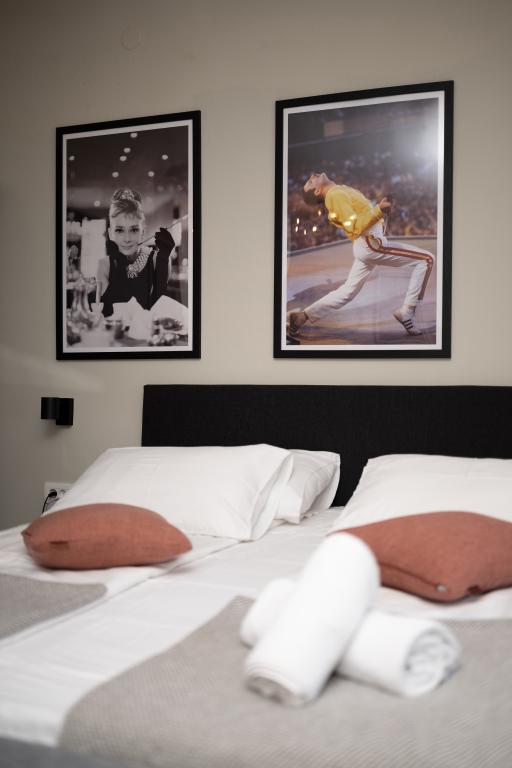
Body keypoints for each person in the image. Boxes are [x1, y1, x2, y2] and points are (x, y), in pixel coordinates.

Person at [288, 172, 435, 337]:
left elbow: (359, 219)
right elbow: (355, 227)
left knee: (347, 292)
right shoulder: (335, 195)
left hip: (365, 244)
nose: (312, 176)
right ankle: (408, 311)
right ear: (317, 191)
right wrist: (379, 210)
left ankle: (302, 317)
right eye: (310, 181)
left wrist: (382, 209)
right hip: (370, 243)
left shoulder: (337, 192)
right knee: (426, 260)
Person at [96, 188, 175, 317]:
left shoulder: (157, 259)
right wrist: (118, 261)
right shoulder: (104, 265)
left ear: (143, 232)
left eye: (134, 230)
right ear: (110, 233)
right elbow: (105, 312)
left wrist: (163, 260)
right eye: (119, 230)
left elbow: (158, 310)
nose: (127, 239)